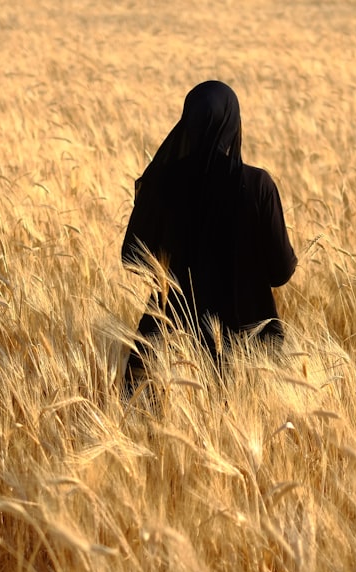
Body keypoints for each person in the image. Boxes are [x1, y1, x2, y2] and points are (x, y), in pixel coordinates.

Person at [122, 80, 297, 384]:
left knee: (146, 422)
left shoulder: (163, 183)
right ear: (233, 124)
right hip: (250, 346)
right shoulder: (258, 186)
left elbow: (133, 257)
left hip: (170, 341)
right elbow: (280, 272)